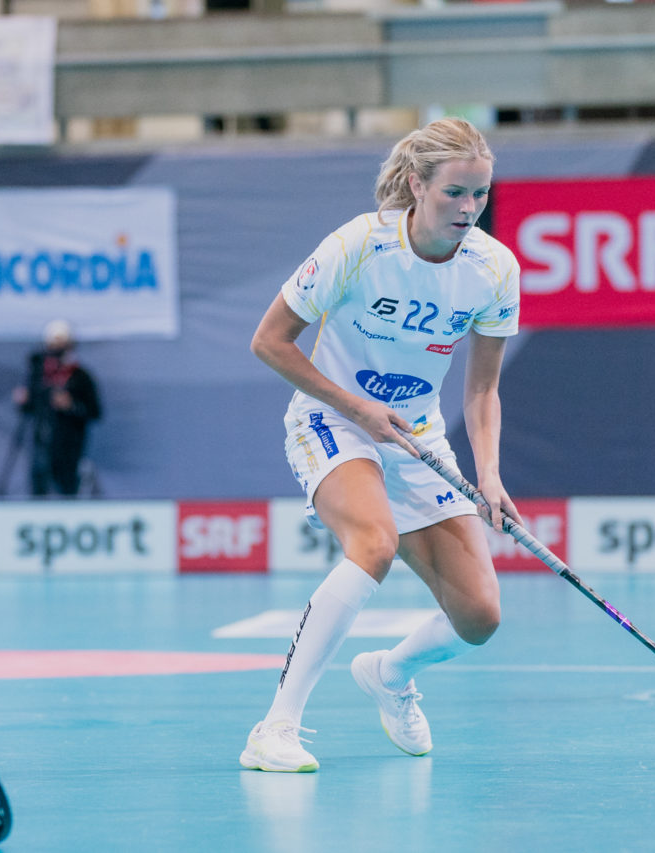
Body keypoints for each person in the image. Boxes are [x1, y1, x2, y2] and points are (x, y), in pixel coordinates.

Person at [241, 117, 522, 772]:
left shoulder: (493, 268)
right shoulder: (358, 246)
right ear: (417, 185)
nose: (470, 209)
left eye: (480, 194)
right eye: (455, 192)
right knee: (374, 542)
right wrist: (354, 407)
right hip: (331, 416)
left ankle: (390, 673)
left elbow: (481, 394)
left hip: (416, 435)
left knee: (479, 614)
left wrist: (490, 475)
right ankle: (275, 727)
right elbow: (269, 341)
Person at [12, 320, 102, 497]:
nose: (56, 350)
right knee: (39, 485)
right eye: (53, 344)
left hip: (69, 445)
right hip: (41, 442)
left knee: (66, 486)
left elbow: (95, 412)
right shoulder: (39, 375)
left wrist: (71, 406)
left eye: (61, 344)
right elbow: (30, 410)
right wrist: (24, 401)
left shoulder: (79, 376)